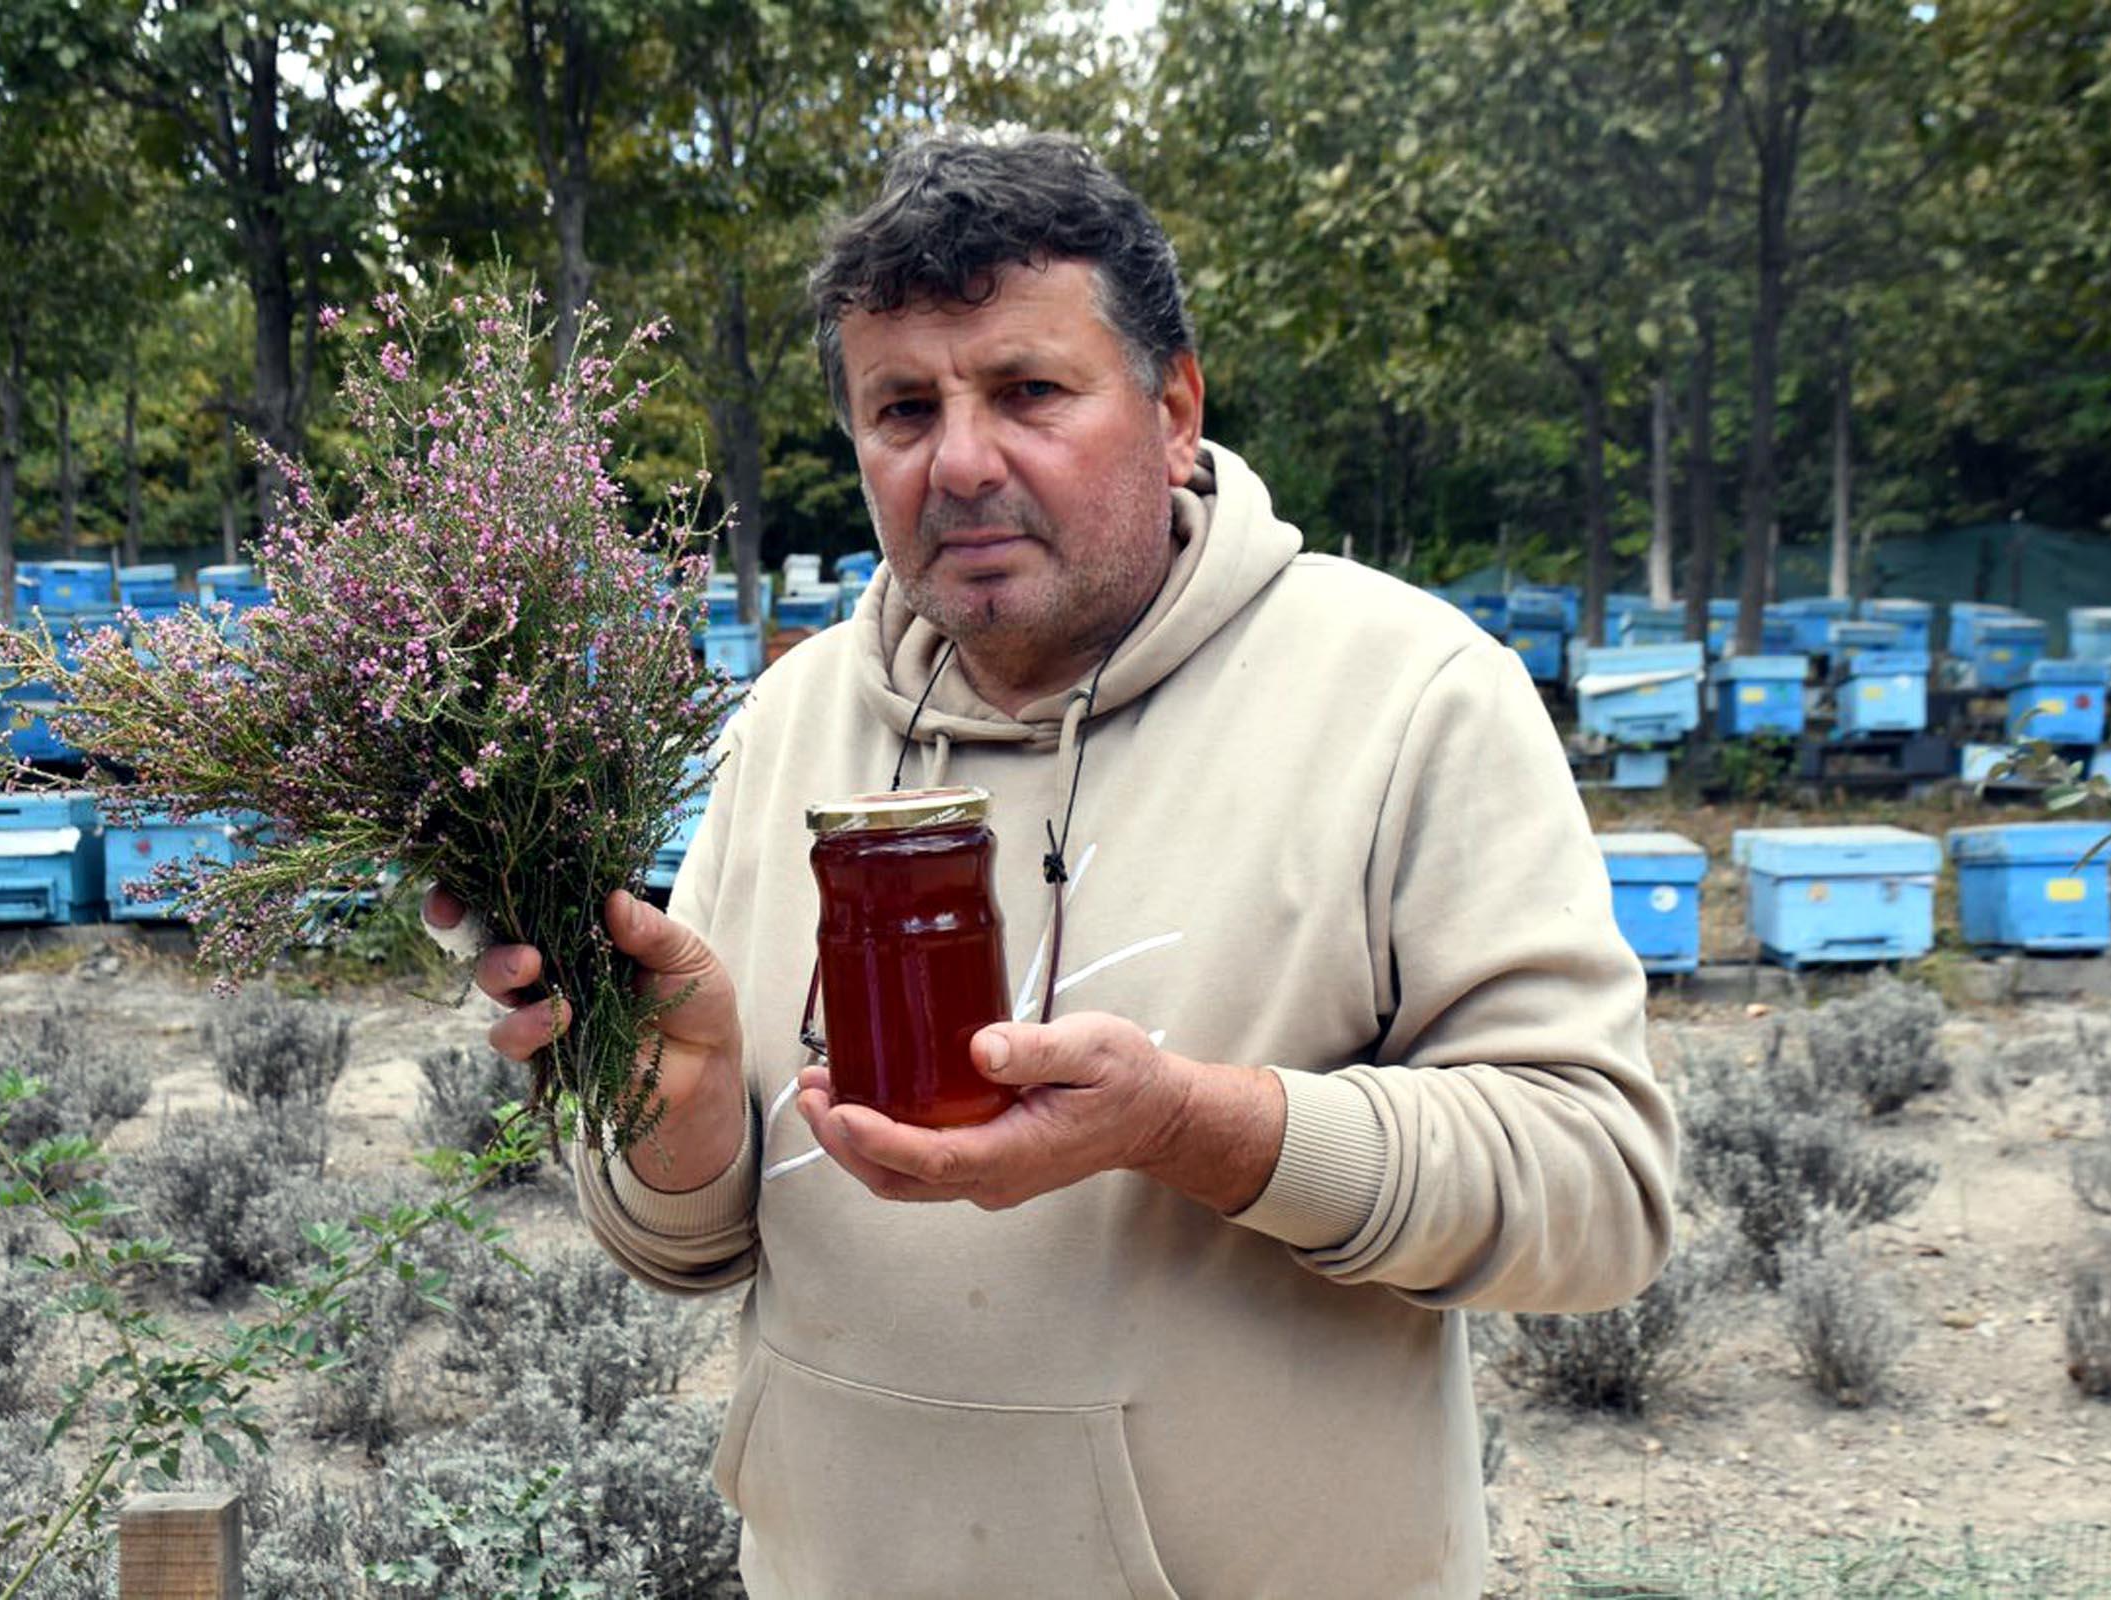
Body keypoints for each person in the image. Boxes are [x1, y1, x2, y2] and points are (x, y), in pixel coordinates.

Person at [425, 131, 1676, 1598]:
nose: (960, 462)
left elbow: (1599, 1195)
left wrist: (1192, 1126)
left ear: (1174, 409)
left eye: (1028, 391)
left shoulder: (1408, 696)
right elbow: (690, 1245)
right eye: (902, 409)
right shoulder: (788, 721)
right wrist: (676, 1125)